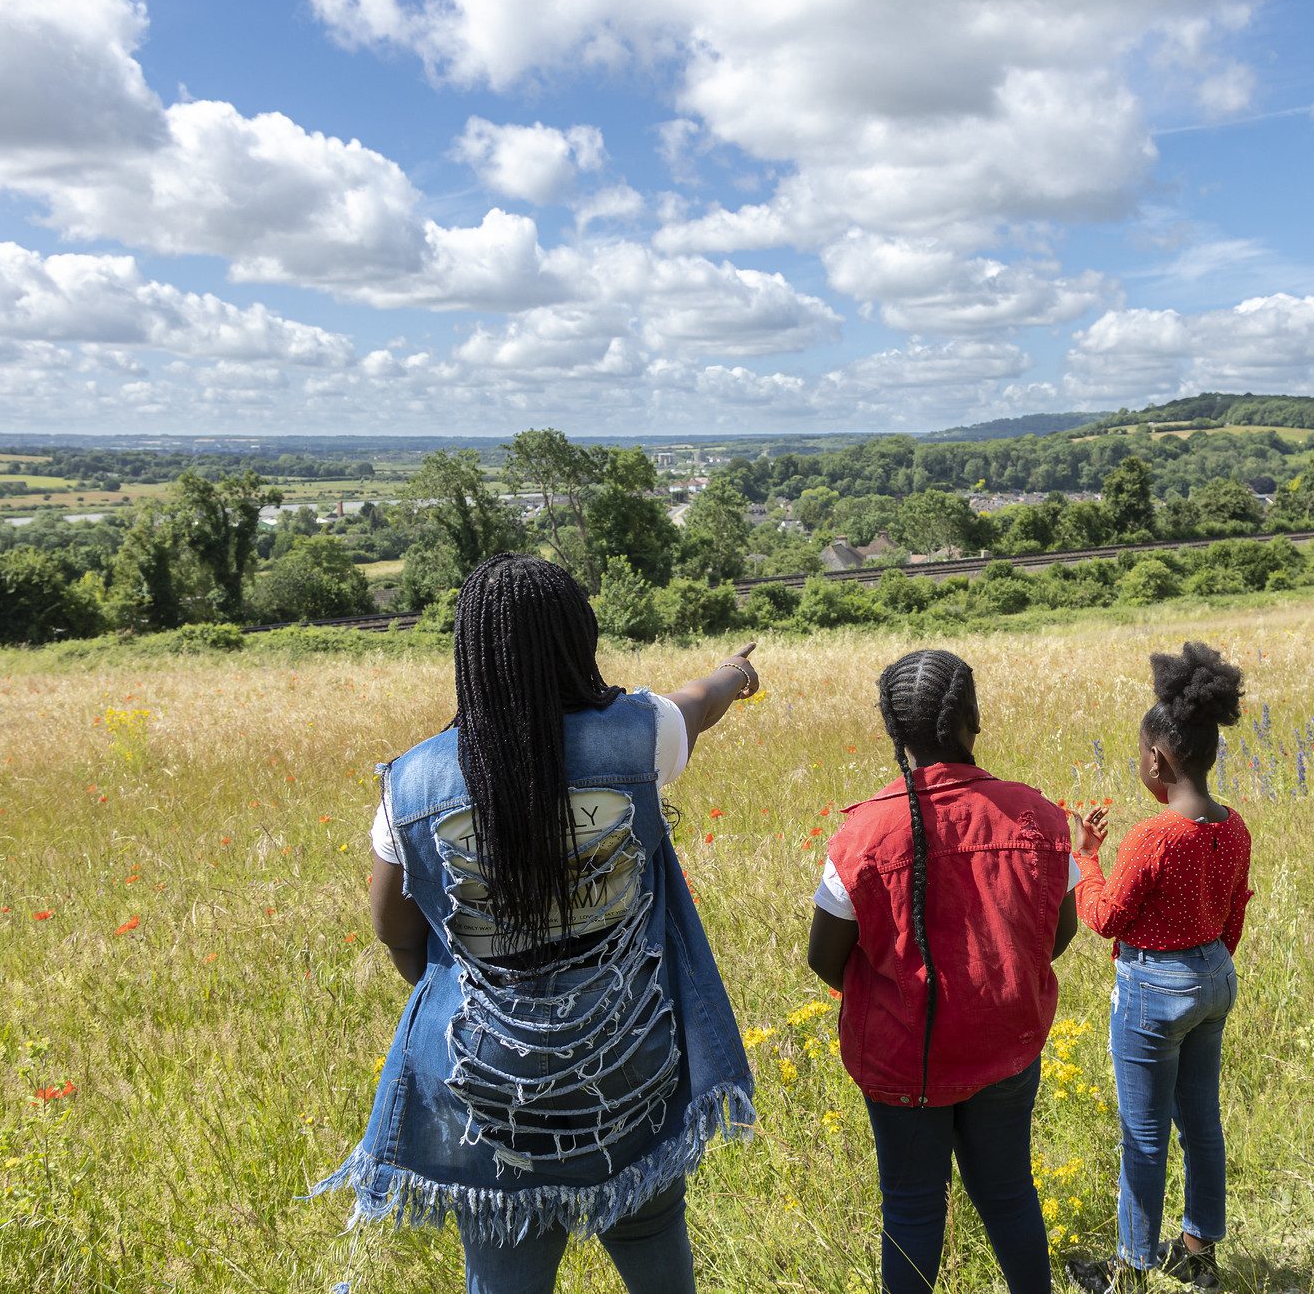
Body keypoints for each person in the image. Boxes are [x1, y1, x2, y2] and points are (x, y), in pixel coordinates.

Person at [311, 554, 758, 1294]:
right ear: (578, 638)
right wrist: (736, 673)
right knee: (654, 1244)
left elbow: (395, 928)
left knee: (502, 1270)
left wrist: (468, 988)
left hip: (485, 1083)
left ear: (469, 651)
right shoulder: (641, 736)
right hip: (630, 1061)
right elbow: (699, 702)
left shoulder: (411, 784)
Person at [805, 649, 1081, 1294]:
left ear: (892, 731)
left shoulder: (863, 834)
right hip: (1008, 1046)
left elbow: (825, 959)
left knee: (912, 1207)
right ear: (974, 718)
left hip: (904, 1060)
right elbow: (1056, 934)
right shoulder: (1037, 816)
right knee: (1011, 1193)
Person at [1071, 642, 1252, 1292]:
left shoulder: (1152, 836)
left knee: (1143, 1135)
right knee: (1201, 1121)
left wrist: (1086, 858)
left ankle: (1131, 1269)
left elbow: (1106, 916)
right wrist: (1210, 961)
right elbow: (1233, 912)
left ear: (1159, 758)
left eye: (1138, 753)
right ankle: (1199, 1252)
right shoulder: (1232, 826)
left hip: (1154, 989)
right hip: (1213, 979)